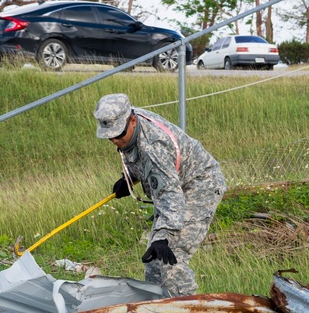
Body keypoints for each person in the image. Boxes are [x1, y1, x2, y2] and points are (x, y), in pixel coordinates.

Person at [94, 93, 226, 297]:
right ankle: (158, 312)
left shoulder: (154, 147)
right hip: (174, 185)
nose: (115, 140)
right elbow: (139, 158)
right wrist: (129, 177)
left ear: (132, 120)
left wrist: (163, 236)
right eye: (110, 136)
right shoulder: (130, 119)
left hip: (199, 186)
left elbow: (170, 194)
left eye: (119, 134)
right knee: (154, 262)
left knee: (171, 260)